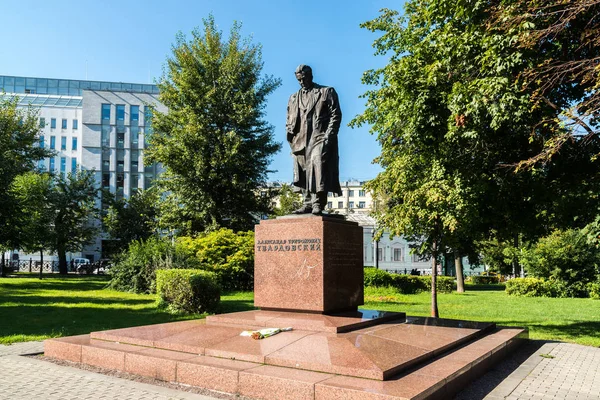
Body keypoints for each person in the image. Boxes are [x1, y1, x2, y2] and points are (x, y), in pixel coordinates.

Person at [286, 65, 342, 215]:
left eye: (304, 78)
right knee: (303, 170)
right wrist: (290, 134)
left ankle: (318, 202)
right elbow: (289, 117)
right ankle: (307, 203)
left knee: (318, 166)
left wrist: (328, 138)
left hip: (319, 136)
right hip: (299, 139)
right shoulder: (293, 98)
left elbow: (335, 116)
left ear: (311, 76)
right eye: (299, 80)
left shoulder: (326, 92)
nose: (302, 82)